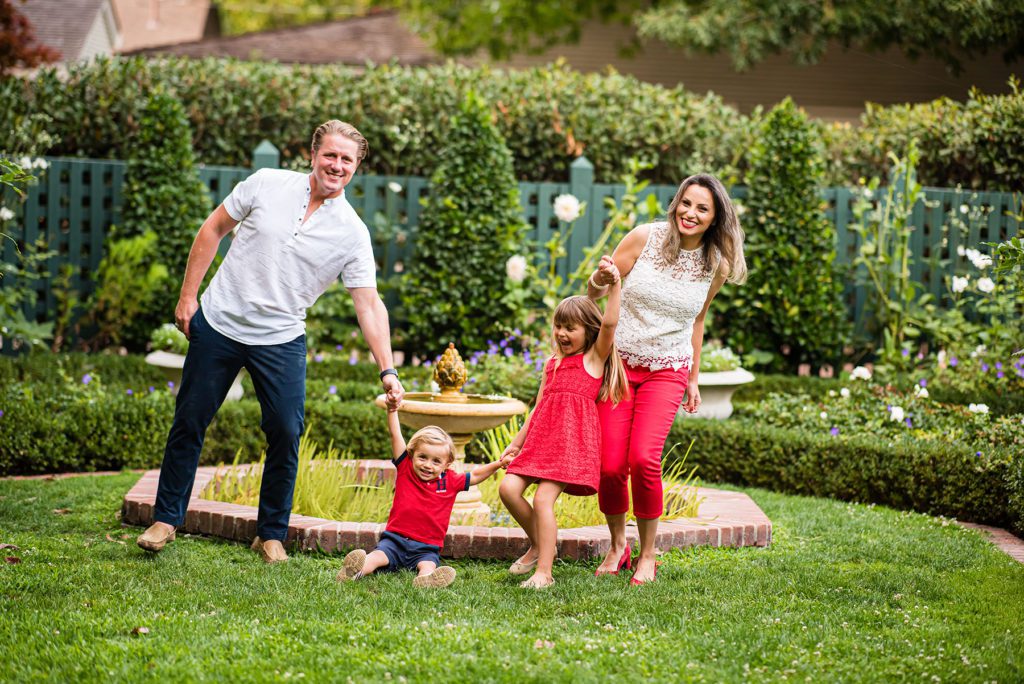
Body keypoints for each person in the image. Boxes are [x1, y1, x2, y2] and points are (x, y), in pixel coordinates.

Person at [137, 120, 404, 563]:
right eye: (330, 155)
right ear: (312, 154)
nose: (336, 166)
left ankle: (271, 533)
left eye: (346, 160)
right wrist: (188, 298)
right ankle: (166, 519)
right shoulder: (266, 184)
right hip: (220, 322)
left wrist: (388, 369)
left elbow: (370, 305)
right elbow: (212, 230)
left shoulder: (352, 233)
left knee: (285, 429)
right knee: (190, 420)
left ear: (356, 168)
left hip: (280, 338)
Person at [587, 173, 746, 585]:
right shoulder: (644, 237)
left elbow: (698, 320)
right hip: (619, 366)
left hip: (668, 369)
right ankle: (618, 543)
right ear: (676, 203)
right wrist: (598, 280)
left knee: (643, 459)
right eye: (686, 203)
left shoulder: (717, 265)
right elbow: (594, 293)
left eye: (702, 208)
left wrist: (693, 377)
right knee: (609, 466)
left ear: (715, 219)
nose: (690, 213)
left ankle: (648, 553)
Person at [498, 283, 629, 589]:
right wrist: (516, 445)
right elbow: (538, 406)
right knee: (508, 489)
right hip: (541, 442)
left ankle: (544, 571)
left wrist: (616, 286)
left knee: (543, 500)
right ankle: (542, 545)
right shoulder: (552, 363)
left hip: (569, 446)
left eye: (570, 328)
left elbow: (610, 322)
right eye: (558, 326)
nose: (562, 334)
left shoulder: (594, 359)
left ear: (589, 331)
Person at [337, 408, 512, 588]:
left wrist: (498, 464)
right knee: (375, 557)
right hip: (394, 541)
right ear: (412, 455)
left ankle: (427, 580)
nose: (428, 465)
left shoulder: (450, 480)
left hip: (426, 547)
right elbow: (395, 434)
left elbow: (474, 475)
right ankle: (353, 572)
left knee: (427, 565)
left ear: (447, 464)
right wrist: (392, 410)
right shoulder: (406, 469)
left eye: (436, 461)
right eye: (422, 457)